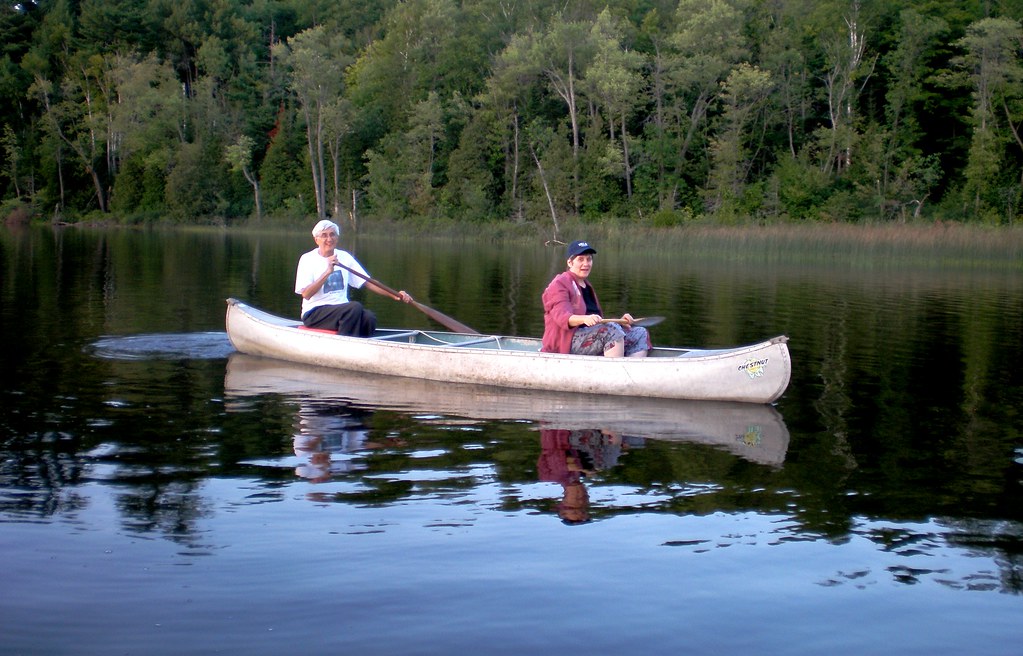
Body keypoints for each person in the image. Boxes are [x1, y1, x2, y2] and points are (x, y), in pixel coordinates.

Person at [295, 219, 413, 337]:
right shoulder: (307, 259)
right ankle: (344, 345)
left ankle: (362, 347)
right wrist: (327, 272)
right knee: (354, 307)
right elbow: (306, 294)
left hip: (342, 311)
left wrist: (395, 295)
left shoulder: (344, 257)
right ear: (316, 240)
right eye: (324, 236)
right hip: (314, 313)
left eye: (332, 234)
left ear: (337, 238)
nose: (329, 239)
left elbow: (368, 282)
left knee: (369, 318)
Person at [541, 240, 650, 357]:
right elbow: (562, 317)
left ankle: (631, 371)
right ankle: (615, 372)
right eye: (581, 259)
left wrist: (620, 322)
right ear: (570, 262)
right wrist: (584, 319)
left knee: (640, 333)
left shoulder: (586, 285)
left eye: (589, 259)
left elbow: (597, 322)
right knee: (611, 331)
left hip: (589, 338)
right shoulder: (559, 283)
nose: (586, 263)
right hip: (564, 343)